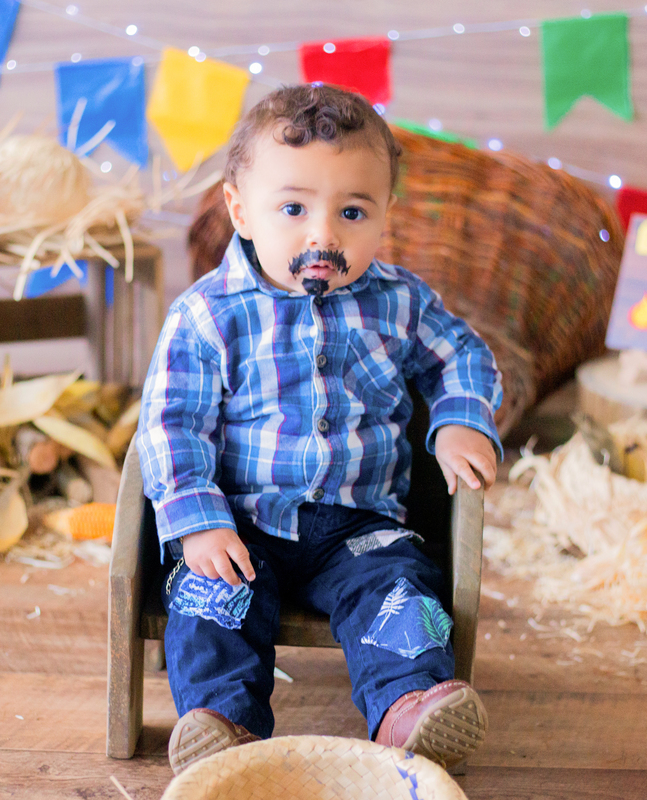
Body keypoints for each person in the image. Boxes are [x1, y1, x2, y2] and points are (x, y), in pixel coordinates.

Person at [138, 83, 503, 775]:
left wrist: (460, 421)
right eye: (294, 208)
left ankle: (409, 708)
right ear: (241, 211)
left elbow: (465, 357)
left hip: (360, 528)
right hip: (241, 523)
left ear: (385, 215)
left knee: (398, 594)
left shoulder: (398, 302)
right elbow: (169, 425)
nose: (324, 235)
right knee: (212, 600)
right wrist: (197, 522)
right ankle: (225, 724)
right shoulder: (207, 314)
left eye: (353, 211)